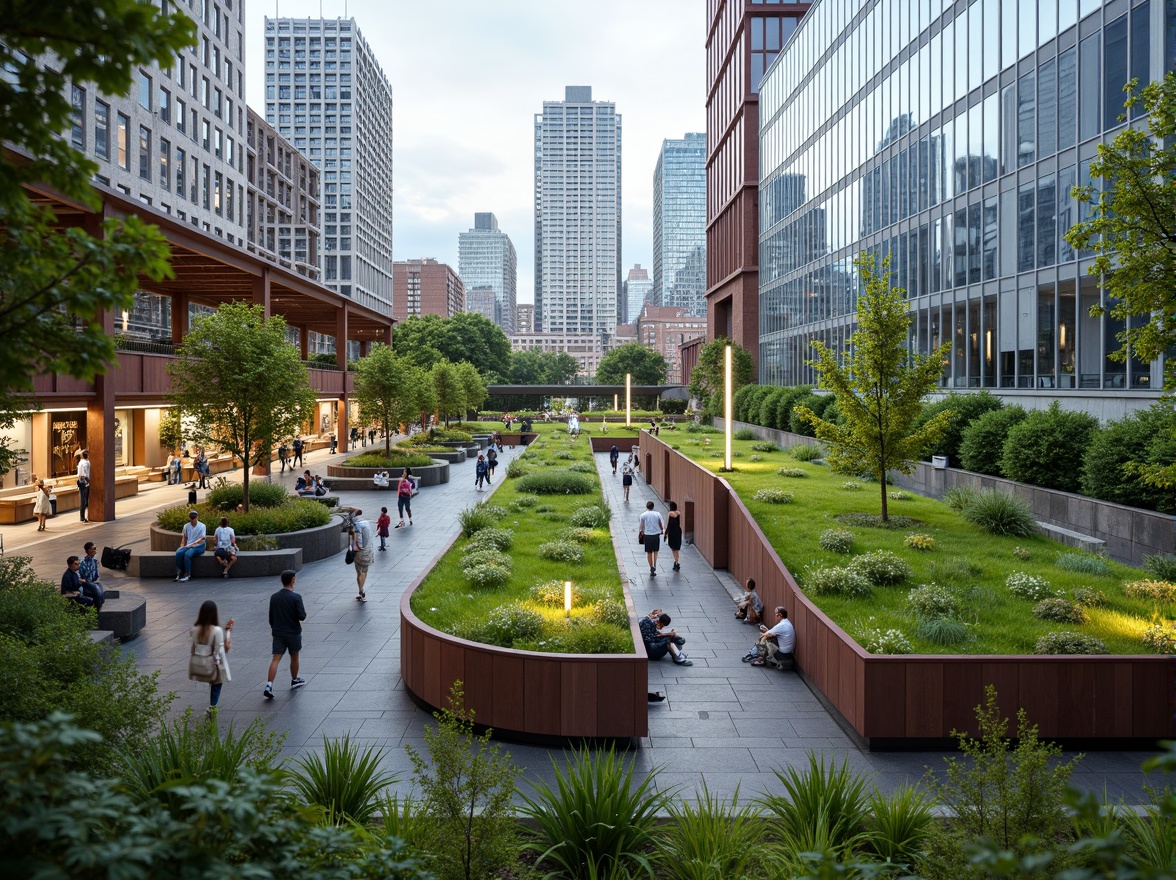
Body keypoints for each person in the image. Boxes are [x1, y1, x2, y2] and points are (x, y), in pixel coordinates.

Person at [264, 569, 306, 698]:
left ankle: (269, 684)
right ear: (293, 580)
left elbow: (271, 617)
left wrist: (274, 628)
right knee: (294, 655)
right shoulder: (296, 597)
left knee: (275, 659)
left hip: (278, 633)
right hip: (293, 632)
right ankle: (294, 679)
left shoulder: (274, 597)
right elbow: (302, 616)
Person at [190, 600, 233, 712]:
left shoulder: (194, 629)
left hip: (199, 661)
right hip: (213, 662)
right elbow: (224, 648)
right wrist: (228, 631)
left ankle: (212, 705)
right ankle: (212, 706)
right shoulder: (217, 630)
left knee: (212, 680)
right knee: (217, 682)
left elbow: (193, 647)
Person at [174, 509, 207, 582]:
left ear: (197, 517)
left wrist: (195, 543)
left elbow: (202, 537)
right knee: (178, 553)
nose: (193, 520)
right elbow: (184, 537)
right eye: (191, 518)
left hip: (199, 546)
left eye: (194, 518)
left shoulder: (202, 526)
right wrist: (182, 546)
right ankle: (179, 571)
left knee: (187, 554)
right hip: (189, 545)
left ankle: (187, 574)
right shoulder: (186, 526)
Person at [349, 509, 374, 602]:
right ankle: (361, 592)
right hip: (365, 551)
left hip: (356, 553)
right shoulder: (365, 524)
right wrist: (360, 547)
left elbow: (352, 539)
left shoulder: (354, 525)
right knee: (364, 571)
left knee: (358, 572)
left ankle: (360, 590)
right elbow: (360, 540)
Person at [639, 501, 665, 577]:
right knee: (655, 551)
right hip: (656, 534)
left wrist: (641, 531)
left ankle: (651, 567)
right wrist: (662, 530)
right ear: (653, 507)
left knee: (649, 552)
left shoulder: (643, 515)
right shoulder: (657, 514)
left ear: (646, 507)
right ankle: (655, 565)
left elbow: (641, 525)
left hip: (647, 535)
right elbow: (662, 523)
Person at [78, 542, 105, 608]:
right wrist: (86, 582)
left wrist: (96, 581)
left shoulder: (95, 561)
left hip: (95, 582)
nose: (95, 551)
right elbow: (78, 577)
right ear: (89, 550)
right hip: (86, 584)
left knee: (101, 595)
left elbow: (97, 575)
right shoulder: (82, 562)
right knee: (97, 593)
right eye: (94, 549)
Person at [665, 501, 683, 571]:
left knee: (673, 548)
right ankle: (676, 562)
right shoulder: (678, 513)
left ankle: (676, 562)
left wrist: (666, 533)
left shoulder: (670, 514)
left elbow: (668, 524)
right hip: (678, 531)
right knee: (677, 548)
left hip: (672, 532)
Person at [76, 449, 91, 522]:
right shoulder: (86, 463)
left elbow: (81, 475)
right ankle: (84, 516)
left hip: (81, 482)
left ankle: (82, 516)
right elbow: (84, 475)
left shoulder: (81, 462)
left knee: (83, 500)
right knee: (85, 500)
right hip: (85, 482)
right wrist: (88, 481)